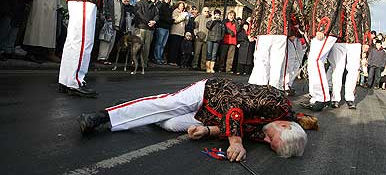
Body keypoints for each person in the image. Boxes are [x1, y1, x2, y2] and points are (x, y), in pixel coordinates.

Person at [78, 78, 317, 160]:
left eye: (268, 145)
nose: (264, 139)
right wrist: (235, 141)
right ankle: (103, 116)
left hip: (211, 117)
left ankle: (142, 115)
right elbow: (234, 106)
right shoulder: (276, 101)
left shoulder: (272, 130)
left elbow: (240, 129)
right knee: (168, 104)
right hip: (210, 92)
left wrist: (209, 132)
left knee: (171, 123)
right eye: (270, 138)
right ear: (284, 125)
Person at [248, 0, 302, 91]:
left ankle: (261, 89)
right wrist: (301, 28)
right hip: (281, 33)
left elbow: (256, 13)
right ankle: (274, 91)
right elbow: (298, 13)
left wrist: (252, 32)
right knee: (277, 63)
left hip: (265, 32)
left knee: (262, 61)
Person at [301, 0, 343, 111]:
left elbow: (330, 8)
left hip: (326, 31)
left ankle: (322, 97)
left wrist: (322, 28)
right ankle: (315, 96)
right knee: (315, 61)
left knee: (316, 60)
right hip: (323, 30)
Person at [326, 0, 371, 109]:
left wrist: (366, 42)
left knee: (353, 69)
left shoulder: (360, 1)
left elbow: (366, 22)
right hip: (338, 40)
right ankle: (335, 97)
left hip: (355, 40)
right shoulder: (336, 2)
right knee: (337, 69)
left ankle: (350, 97)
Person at [283, 0, 308, 95]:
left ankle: (289, 83)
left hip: (299, 33)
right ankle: (284, 84)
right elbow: (289, 14)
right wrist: (291, 31)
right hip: (293, 32)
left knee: (298, 59)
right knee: (290, 59)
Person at [133, 0, 159, 68]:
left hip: (150, 30)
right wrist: (148, 22)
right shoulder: (139, 4)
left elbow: (157, 15)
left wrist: (154, 21)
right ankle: (134, 63)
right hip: (140, 28)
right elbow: (139, 14)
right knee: (137, 47)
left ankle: (143, 64)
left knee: (146, 48)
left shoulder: (153, 6)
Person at [97, 0, 120, 65]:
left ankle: (106, 57)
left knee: (111, 40)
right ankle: (102, 57)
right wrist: (107, 16)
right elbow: (105, 6)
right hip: (109, 20)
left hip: (115, 22)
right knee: (106, 39)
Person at [153, 0, 173, 64]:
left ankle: (160, 57)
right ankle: (156, 57)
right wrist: (169, 20)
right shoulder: (161, 5)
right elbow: (159, 16)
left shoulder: (170, 7)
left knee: (163, 44)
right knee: (159, 43)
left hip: (167, 28)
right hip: (161, 26)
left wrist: (170, 21)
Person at [167, 1, 188, 66]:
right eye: (181, 6)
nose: (182, 7)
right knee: (173, 47)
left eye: (183, 6)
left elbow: (186, 23)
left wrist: (186, 18)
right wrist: (183, 16)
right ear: (178, 6)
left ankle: (175, 61)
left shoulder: (183, 13)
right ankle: (171, 60)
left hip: (181, 32)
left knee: (177, 48)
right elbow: (175, 20)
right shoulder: (175, 11)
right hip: (175, 32)